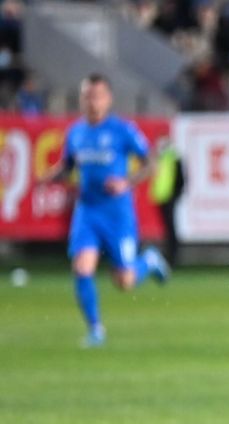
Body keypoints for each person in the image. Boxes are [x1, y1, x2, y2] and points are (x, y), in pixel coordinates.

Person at [39, 73, 169, 348]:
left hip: (117, 214)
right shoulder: (76, 132)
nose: (92, 102)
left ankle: (150, 261)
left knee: (125, 281)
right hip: (87, 211)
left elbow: (151, 164)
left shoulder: (123, 130)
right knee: (82, 268)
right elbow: (69, 165)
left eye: (97, 96)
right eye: (87, 96)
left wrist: (126, 182)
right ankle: (95, 329)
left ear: (108, 99)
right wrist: (54, 174)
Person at [149, 136, 186, 267]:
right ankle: (169, 256)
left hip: (169, 197)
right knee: (167, 228)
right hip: (161, 197)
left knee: (171, 228)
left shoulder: (173, 157)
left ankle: (173, 257)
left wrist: (175, 195)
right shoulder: (161, 157)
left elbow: (180, 179)